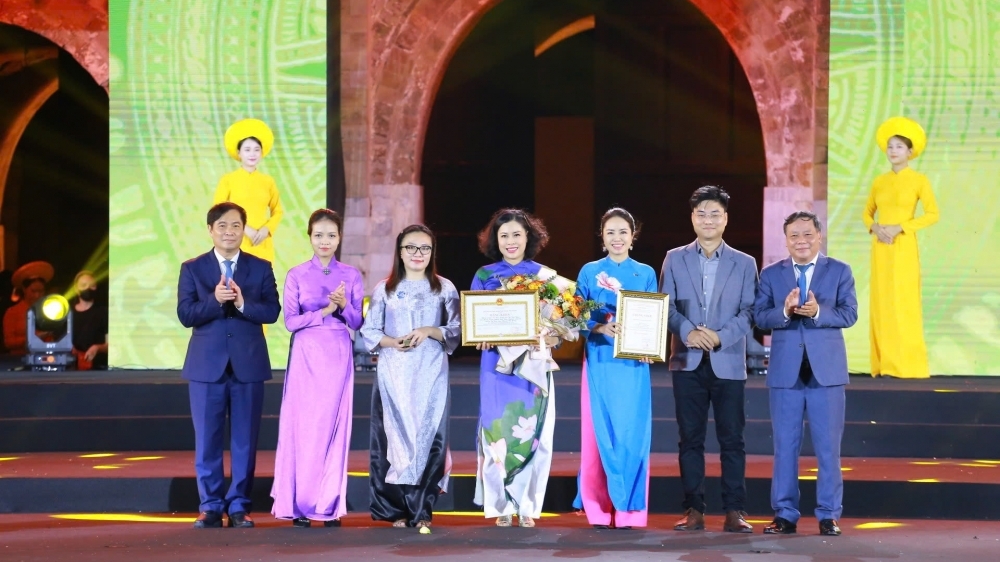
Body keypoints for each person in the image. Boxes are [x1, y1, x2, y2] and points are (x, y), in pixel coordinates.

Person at [659, 186, 757, 534]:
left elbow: (750, 311)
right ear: (692, 218)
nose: (708, 220)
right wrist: (688, 331)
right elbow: (665, 305)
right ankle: (694, 510)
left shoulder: (745, 263)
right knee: (690, 439)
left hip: (727, 361)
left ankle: (734, 511)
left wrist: (720, 336)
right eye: (701, 213)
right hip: (686, 361)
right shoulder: (674, 258)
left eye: (715, 214)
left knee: (732, 441)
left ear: (725, 219)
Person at [177, 202, 281, 529]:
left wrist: (242, 303)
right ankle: (209, 506)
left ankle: (239, 506)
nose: (229, 232)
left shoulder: (260, 267)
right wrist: (215, 300)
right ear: (210, 230)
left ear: (243, 230)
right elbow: (186, 315)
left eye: (236, 225)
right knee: (207, 440)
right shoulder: (192, 268)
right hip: (206, 367)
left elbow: (272, 312)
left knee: (245, 441)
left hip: (248, 365)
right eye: (222, 226)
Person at [754, 211, 858, 537]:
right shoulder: (771, 274)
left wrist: (818, 312)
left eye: (807, 234)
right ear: (786, 240)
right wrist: (785, 311)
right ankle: (785, 514)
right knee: (785, 447)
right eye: (794, 236)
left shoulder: (839, 270)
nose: (801, 241)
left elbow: (849, 314)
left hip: (826, 373)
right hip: (786, 373)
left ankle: (829, 515)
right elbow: (760, 317)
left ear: (819, 236)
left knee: (828, 448)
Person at [361, 224, 461, 534]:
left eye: (424, 248)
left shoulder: (444, 288)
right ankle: (394, 509)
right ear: (400, 252)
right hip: (393, 374)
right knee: (391, 439)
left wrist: (430, 331)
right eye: (411, 247)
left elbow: (457, 330)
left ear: (432, 253)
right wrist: (393, 342)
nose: (418, 254)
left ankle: (422, 509)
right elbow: (370, 331)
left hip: (431, 373)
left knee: (430, 438)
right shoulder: (385, 289)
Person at [271, 209, 363, 528]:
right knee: (304, 427)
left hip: (337, 352)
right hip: (306, 354)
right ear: (309, 237)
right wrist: (325, 310)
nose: (325, 241)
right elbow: (291, 322)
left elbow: (357, 322)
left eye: (331, 235)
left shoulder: (351, 275)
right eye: (319, 235)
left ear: (339, 238)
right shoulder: (296, 274)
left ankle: (328, 505)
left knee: (332, 428)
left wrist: (344, 306)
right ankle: (300, 504)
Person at [472, 208, 560, 528]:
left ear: (528, 237)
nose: (511, 241)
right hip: (495, 365)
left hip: (533, 364)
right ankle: (500, 506)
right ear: (495, 240)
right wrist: (478, 334)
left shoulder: (546, 276)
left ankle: (527, 506)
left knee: (535, 434)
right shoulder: (484, 276)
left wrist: (552, 335)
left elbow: (560, 325)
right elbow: (473, 320)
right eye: (504, 235)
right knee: (496, 432)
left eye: (517, 235)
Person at [572, 208, 657, 529]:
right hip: (599, 361)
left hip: (633, 365)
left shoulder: (645, 273)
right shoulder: (589, 271)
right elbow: (574, 313)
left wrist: (649, 346)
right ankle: (597, 508)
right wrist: (597, 327)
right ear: (602, 237)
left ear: (633, 237)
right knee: (598, 435)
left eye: (623, 232)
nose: (617, 238)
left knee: (631, 434)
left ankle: (629, 511)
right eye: (610, 232)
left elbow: (653, 314)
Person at [863, 117, 939, 379]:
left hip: (903, 246)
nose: (893, 151)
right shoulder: (879, 182)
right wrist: (875, 228)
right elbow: (867, 214)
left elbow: (932, 214)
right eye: (890, 146)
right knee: (882, 302)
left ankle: (908, 366)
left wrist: (901, 227)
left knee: (903, 303)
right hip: (881, 247)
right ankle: (884, 364)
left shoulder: (919, 180)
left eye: (899, 147)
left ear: (909, 152)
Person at [213, 118, 284, 265]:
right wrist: (244, 229)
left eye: (256, 150)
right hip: (235, 242)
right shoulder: (228, 180)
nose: (252, 154)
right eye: (247, 150)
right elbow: (218, 212)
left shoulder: (268, 181)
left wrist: (266, 230)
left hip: (261, 243)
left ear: (261, 153)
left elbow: (278, 211)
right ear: (239, 153)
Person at [3, 261, 54, 356]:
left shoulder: (49, 310)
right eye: (33, 291)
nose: (37, 295)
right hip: (19, 359)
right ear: (24, 289)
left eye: (41, 291)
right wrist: (32, 338)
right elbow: (8, 342)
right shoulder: (12, 312)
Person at [71, 271, 108, 370]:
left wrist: (97, 348)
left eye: (92, 285)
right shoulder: (68, 313)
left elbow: (111, 344)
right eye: (83, 285)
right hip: (71, 370)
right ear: (76, 289)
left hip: (99, 369)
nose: (88, 288)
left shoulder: (104, 312)